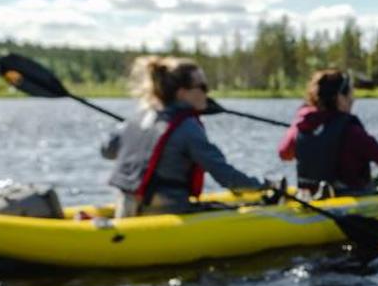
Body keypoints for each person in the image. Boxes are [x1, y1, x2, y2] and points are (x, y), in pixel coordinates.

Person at [100, 55, 268, 216]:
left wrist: (134, 133)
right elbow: (224, 175)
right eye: (202, 87)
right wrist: (262, 186)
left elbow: (107, 151)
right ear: (181, 93)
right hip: (166, 209)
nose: (207, 93)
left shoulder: (137, 118)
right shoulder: (188, 127)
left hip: (126, 207)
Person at [277, 68, 378, 196]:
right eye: (350, 94)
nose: (353, 99)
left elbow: (285, 154)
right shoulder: (351, 130)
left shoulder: (302, 123)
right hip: (348, 196)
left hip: (312, 195)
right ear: (340, 98)